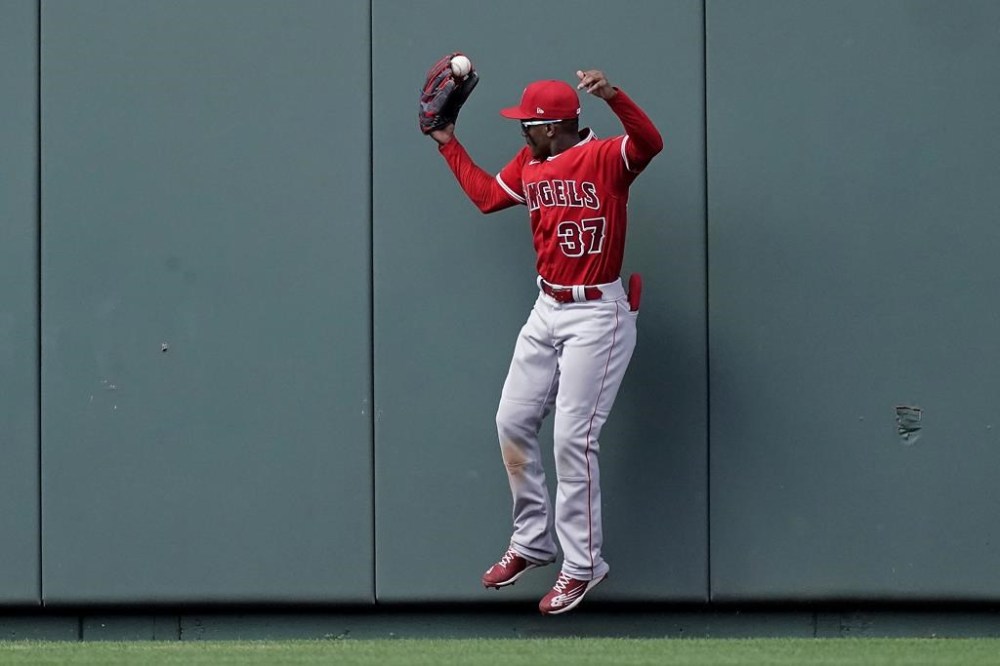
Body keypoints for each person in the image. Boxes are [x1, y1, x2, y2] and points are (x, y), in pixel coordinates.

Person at [428, 68, 663, 615]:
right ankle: (533, 541)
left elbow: (651, 143)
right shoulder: (531, 163)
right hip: (548, 306)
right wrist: (448, 145)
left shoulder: (607, 158)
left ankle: (582, 566)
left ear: (553, 128)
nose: (521, 133)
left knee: (572, 440)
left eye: (527, 125)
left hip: (597, 315)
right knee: (512, 421)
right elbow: (488, 197)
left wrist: (614, 96)